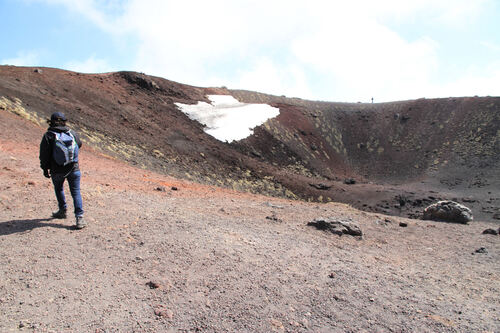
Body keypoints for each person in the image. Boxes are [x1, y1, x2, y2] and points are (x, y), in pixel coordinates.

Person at [39, 112, 86, 229]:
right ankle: (79, 218)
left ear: (51, 121)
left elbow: (44, 155)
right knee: (76, 192)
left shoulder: (49, 135)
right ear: (65, 121)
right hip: (74, 168)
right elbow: (79, 144)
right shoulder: (71, 133)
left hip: (57, 169)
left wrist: (45, 169)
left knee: (59, 188)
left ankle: (62, 210)